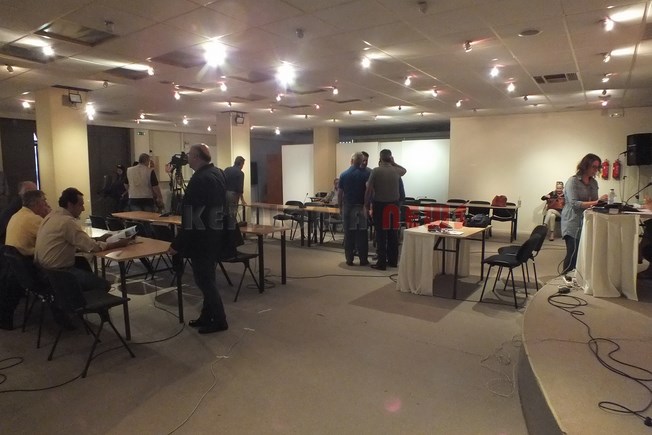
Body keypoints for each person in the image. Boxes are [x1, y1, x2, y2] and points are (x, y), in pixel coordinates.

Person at [169, 144, 229, 334]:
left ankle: (219, 320)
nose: (187, 158)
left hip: (202, 238)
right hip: (214, 234)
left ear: (196, 157)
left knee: (204, 281)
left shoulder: (199, 179)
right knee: (208, 278)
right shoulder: (217, 173)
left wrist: (177, 244)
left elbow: (191, 216)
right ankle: (206, 315)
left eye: (189, 155)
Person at [34, 187, 129, 292]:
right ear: (70, 205)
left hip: (44, 270)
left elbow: (74, 241)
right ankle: (83, 301)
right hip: (59, 274)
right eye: (80, 205)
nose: (83, 209)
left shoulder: (52, 216)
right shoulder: (67, 221)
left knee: (83, 264)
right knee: (104, 285)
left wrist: (98, 239)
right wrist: (119, 244)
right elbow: (93, 247)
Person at [1, 190, 51, 330]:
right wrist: (49, 216)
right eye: (44, 202)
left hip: (18, 268)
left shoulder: (17, 215)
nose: (47, 204)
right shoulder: (33, 219)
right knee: (71, 266)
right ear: (37, 204)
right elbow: (53, 237)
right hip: (32, 270)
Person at [561, 154, 608, 274]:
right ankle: (565, 278)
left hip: (587, 221)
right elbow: (574, 204)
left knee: (583, 255)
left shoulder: (594, 183)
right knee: (572, 254)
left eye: (597, 167)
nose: (596, 170)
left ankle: (578, 278)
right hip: (572, 221)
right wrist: (597, 202)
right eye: (593, 167)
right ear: (585, 165)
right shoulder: (573, 181)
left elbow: (594, 202)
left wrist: (602, 203)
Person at [365, 149, 407, 270]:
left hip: (380, 206)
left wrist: (366, 205)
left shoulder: (376, 171)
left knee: (381, 235)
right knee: (393, 234)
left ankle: (381, 262)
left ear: (380, 158)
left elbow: (369, 189)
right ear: (390, 158)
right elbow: (404, 170)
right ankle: (393, 261)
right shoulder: (396, 171)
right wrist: (394, 163)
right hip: (394, 206)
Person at [338, 153, 370, 266]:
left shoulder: (344, 174)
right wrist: (367, 205)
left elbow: (340, 193)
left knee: (348, 234)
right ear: (361, 161)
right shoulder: (366, 174)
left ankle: (349, 259)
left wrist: (340, 207)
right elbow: (369, 191)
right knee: (362, 234)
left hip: (348, 206)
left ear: (351, 160)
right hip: (360, 207)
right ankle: (363, 259)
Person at [224, 156, 247, 221]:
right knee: (232, 215)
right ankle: (232, 226)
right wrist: (242, 200)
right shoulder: (240, 173)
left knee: (225, 214)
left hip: (224, 194)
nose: (242, 166)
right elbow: (240, 188)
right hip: (233, 195)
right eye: (243, 164)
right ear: (241, 163)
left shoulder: (227, 169)